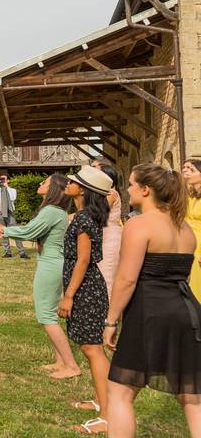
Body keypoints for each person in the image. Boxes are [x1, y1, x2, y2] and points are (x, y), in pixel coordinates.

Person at [104, 164, 201, 437]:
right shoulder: (185, 229)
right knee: (192, 396)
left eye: (132, 184)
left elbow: (126, 279)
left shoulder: (138, 225)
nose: (127, 189)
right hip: (188, 312)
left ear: (145, 190)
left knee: (120, 390)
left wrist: (111, 320)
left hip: (150, 313)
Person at [0, 174, 80, 379]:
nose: (40, 183)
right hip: (52, 263)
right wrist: (8, 232)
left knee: (46, 315)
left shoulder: (52, 211)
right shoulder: (56, 211)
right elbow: (32, 231)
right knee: (49, 314)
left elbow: (29, 231)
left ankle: (71, 366)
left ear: (54, 189)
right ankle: (60, 361)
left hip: (50, 265)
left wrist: (1, 228)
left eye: (45, 182)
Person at [60, 165, 113, 435]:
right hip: (87, 286)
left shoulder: (83, 220)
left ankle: (108, 414)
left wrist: (69, 295)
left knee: (93, 349)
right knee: (90, 349)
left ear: (83, 189)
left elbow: (83, 259)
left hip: (86, 289)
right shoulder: (86, 216)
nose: (68, 183)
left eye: (73, 181)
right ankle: (102, 402)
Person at [93, 161, 122, 301]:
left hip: (110, 238)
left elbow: (97, 212)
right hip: (102, 237)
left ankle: (109, 317)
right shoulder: (100, 194)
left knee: (108, 275)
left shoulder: (111, 193)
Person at [0, 175, 27, 259]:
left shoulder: (13, 190)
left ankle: (22, 252)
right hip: (0, 212)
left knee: (16, 232)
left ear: (8, 180)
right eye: (1, 179)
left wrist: (7, 187)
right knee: (3, 232)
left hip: (10, 213)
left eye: (4, 179)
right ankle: (7, 252)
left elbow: (13, 198)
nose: (2, 180)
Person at [181, 159, 201, 301]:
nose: (185, 170)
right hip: (188, 245)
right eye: (184, 167)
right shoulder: (189, 196)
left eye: (191, 169)